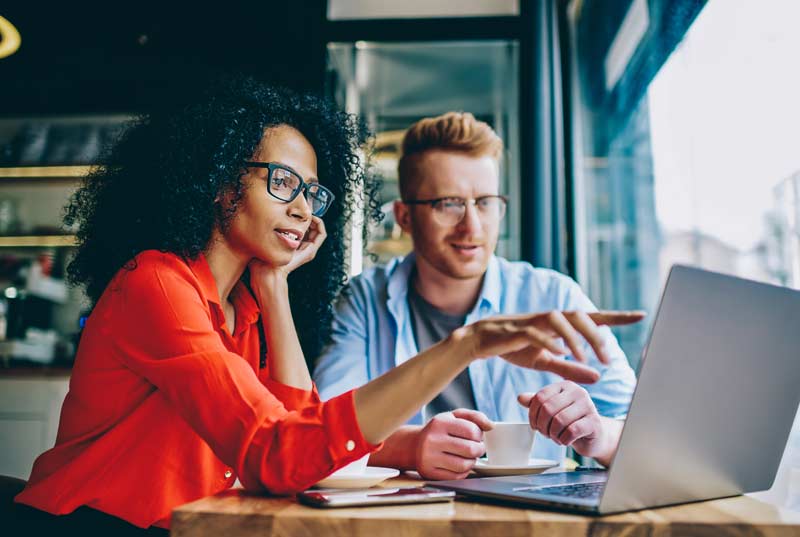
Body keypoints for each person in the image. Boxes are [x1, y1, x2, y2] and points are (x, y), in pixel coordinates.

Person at [13, 79, 639, 533]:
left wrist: (276, 288)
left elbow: (301, 439)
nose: (304, 210)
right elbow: (277, 453)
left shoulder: (247, 309)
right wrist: (465, 346)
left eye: (312, 192)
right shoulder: (157, 284)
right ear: (221, 183)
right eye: (282, 183)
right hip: (89, 524)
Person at [314, 112, 640, 480]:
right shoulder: (364, 299)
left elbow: (644, 431)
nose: (472, 226)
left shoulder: (553, 295)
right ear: (404, 217)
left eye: (485, 202)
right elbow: (322, 431)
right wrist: (411, 446)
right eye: (448, 204)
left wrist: (598, 435)